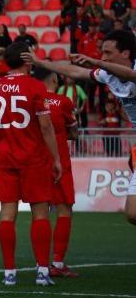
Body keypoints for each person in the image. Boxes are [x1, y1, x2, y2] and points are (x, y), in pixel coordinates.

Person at [24, 30, 136, 225]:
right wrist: (42, 63)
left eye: (108, 53)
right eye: (103, 53)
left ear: (126, 54)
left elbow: (131, 75)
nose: (103, 57)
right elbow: (75, 71)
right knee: (132, 214)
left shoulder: (124, 70)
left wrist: (97, 63)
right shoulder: (108, 74)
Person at [0, 43, 63, 286]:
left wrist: (8, 138)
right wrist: (57, 159)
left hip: (6, 158)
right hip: (34, 158)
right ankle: (42, 272)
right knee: (40, 214)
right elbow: (47, 126)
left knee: (7, 215)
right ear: (28, 60)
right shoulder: (37, 87)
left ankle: (9, 273)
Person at [33, 66, 79, 278]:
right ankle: (58, 262)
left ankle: (41, 263)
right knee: (64, 210)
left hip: (38, 162)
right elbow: (74, 132)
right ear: (53, 78)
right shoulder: (63, 102)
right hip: (60, 161)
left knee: (40, 213)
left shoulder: (31, 101)